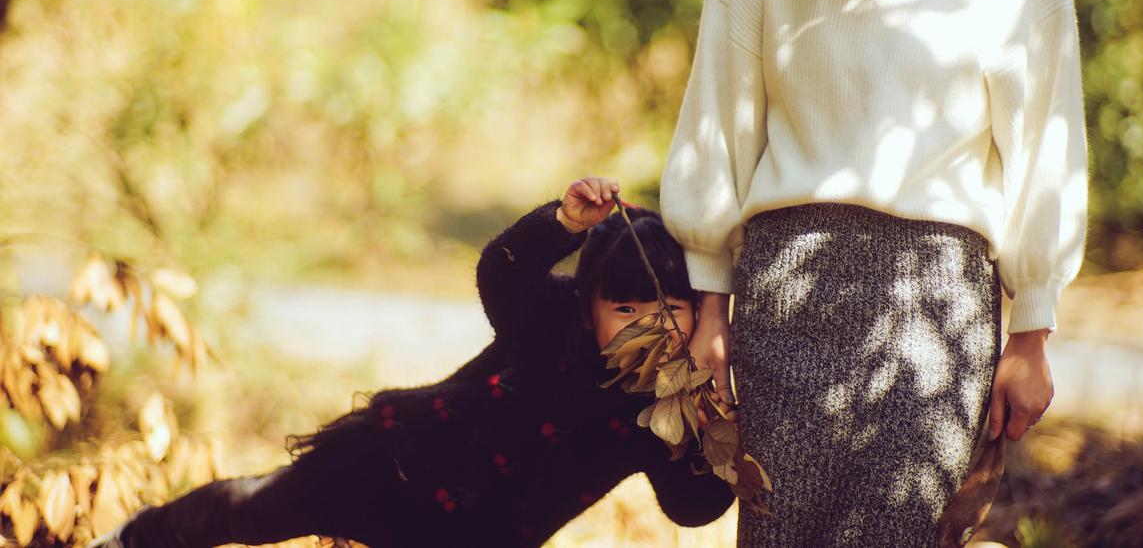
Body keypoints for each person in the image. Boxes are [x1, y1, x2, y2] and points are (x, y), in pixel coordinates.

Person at [658, 0, 1088, 545]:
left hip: (940, 298)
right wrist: (710, 300)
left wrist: (1032, 330)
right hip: (786, 291)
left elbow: (1043, 144)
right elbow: (721, 117)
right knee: (780, 531)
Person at [89, 177, 734, 548]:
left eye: (671, 308)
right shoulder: (550, 318)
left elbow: (692, 507)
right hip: (390, 464)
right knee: (253, 509)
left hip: (479, 538)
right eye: (625, 307)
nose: (648, 324)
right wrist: (563, 221)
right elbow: (502, 272)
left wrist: (718, 430)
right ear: (589, 304)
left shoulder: (665, 410)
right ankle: (136, 538)